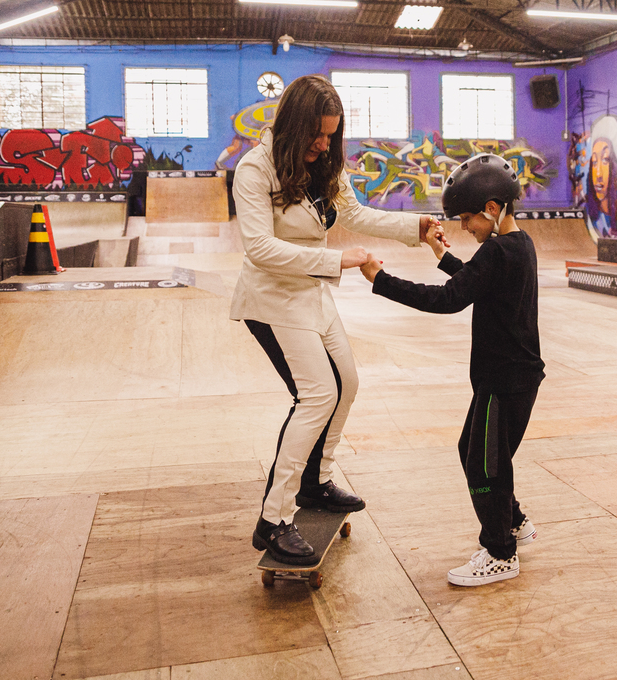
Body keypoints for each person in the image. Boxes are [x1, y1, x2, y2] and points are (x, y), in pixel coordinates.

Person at [230, 74, 446, 566]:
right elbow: (259, 247)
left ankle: (315, 482)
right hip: (272, 298)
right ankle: (273, 519)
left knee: (346, 383)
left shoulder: (325, 165)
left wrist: (416, 227)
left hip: (312, 294)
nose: (325, 144)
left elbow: (357, 214)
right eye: (317, 134)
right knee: (316, 396)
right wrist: (336, 260)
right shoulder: (254, 169)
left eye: (331, 134)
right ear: (293, 125)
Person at [359, 154, 545, 586]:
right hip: (513, 379)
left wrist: (381, 281)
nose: (465, 228)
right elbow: (475, 282)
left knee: (484, 466)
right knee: (475, 452)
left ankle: (500, 552)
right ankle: (513, 521)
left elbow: (449, 298)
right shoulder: (519, 245)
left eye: (467, 218)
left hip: (503, 382)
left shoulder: (495, 251)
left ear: (492, 208)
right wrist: (439, 251)